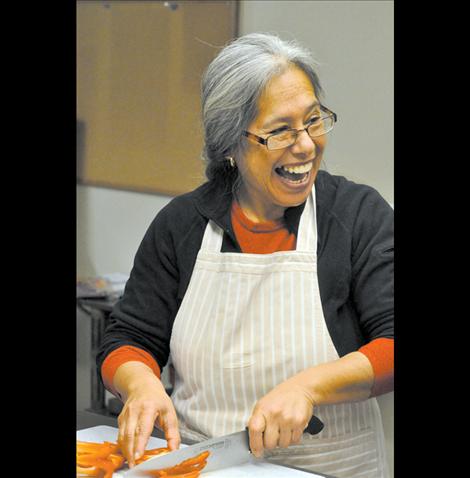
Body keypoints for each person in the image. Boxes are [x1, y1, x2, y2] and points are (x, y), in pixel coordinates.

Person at [97, 32, 393, 478]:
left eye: (314, 121)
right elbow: (128, 339)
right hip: (204, 465)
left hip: (333, 468)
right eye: (280, 131)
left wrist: (309, 388)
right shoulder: (183, 225)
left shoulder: (355, 216)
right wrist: (139, 386)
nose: (307, 145)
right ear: (231, 144)